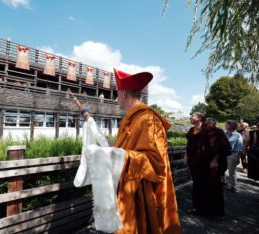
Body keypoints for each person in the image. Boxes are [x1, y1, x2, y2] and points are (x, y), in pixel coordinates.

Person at [73, 68, 180, 233]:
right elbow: (122, 148)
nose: (116, 99)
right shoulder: (129, 119)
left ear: (124, 94)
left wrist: (121, 156)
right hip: (128, 188)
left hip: (143, 193)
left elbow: (156, 163)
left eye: (117, 94)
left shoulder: (148, 119)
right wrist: (105, 143)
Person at [185, 114, 231, 217]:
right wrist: (185, 155)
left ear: (199, 118)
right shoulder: (192, 130)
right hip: (195, 163)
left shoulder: (210, 130)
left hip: (208, 163)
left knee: (212, 186)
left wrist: (215, 160)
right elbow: (189, 144)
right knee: (197, 185)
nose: (190, 117)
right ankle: (198, 208)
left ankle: (214, 212)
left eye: (192, 115)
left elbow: (220, 145)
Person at [224, 120, 243, 192]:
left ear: (232, 126)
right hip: (224, 154)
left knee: (231, 171)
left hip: (232, 154)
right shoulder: (225, 133)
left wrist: (238, 157)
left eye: (227, 124)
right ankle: (223, 181)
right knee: (222, 168)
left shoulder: (237, 135)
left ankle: (233, 186)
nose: (225, 125)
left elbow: (239, 147)